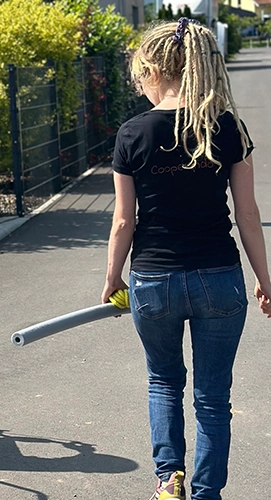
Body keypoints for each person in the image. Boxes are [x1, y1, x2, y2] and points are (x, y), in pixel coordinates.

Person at [101, 18, 271, 500]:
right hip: (219, 278)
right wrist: (265, 279)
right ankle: (206, 493)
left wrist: (114, 277)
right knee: (213, 399)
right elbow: (249, 214)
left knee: (163, 381)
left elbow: (122, 221)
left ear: (154, 69)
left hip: (154, 280)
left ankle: (168, 477)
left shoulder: (132, 133)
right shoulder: (227, 128)